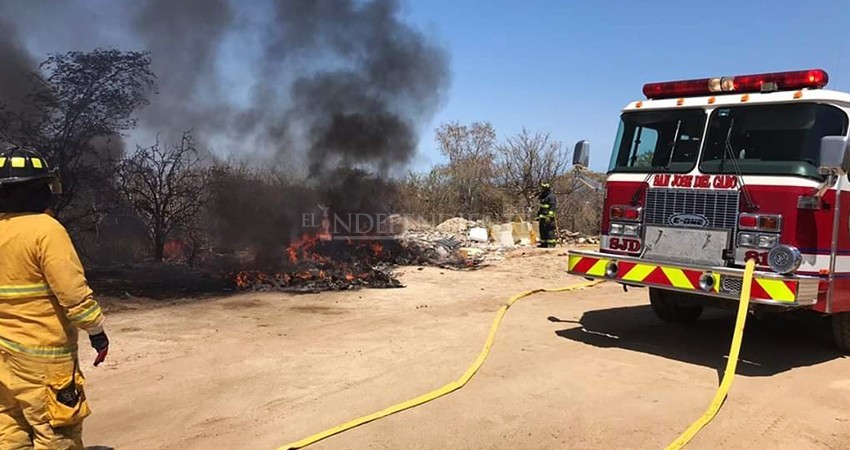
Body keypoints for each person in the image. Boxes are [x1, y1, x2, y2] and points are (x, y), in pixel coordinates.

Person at [0, 146, 109, 448]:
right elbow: (73, 292)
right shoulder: (46, 230)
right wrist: (97, 332)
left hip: (3, 361)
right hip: (44, 363)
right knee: (57, 436)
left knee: (10, 433)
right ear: (40, 188)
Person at [536, 181, 558, 248]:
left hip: (548, 218)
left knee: (549, 230)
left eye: (543, 188)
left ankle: (551, 243)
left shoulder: (551, 197)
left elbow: (553, 207)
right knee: (542, 230)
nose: (542, 189)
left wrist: (549, 216)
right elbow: (541, 207)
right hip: (542, 217)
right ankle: (543, 243)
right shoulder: (543, 197)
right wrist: (538, 215)